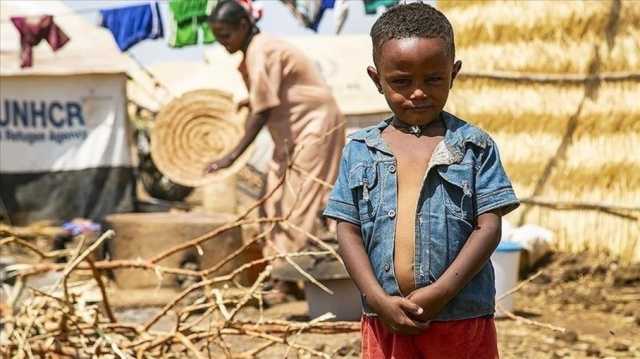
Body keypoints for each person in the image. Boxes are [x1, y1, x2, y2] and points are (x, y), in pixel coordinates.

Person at [323, 3, 519, 358]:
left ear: (453, 73)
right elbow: (347, 230)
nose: (417, 92)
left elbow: (488, 228)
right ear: (376, 79)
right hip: (385, 320)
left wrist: (441, 292)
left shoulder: (473, 146)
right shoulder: (361, 150)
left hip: (459, 319)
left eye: (433, 79)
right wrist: (377, 299)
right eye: (401, 81)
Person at [205, 0, 345, 296]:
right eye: (217, 37)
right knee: (272, 199)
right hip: (291, 132)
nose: (222, 43)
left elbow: (263, 108)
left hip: (314, 125)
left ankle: (285, 275)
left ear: (243, 26)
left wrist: (231, 155)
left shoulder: (262, 50)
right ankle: (281, 273)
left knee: (297, 200)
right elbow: (270, 96)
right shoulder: (255, 50)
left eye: (226, 35)